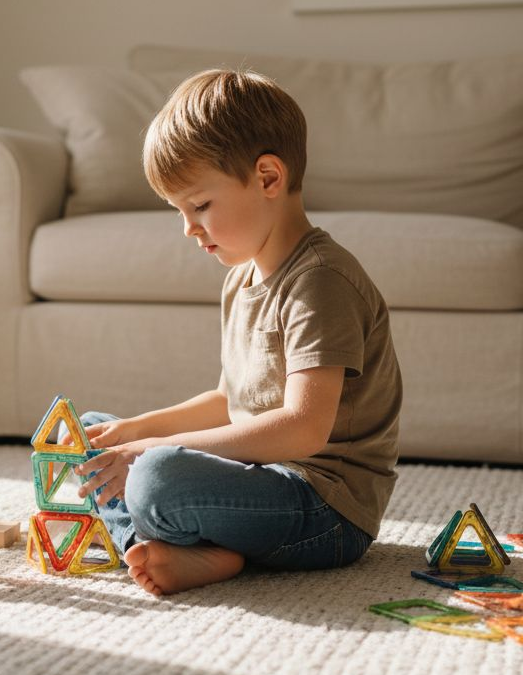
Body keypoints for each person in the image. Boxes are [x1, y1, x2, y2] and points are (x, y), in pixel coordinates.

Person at [73, 68, 402, 597]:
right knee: (94, 431)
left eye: (199, 205)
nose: (188, 227)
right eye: (180, 211)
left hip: (324, 511)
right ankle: (177, 547)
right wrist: (135, 429)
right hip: (259, 481)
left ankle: (183, 544)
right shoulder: (241, 279)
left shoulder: (321, 281)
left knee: (157, 474)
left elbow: (302, 429)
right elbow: (231, 402)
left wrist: (151, 450)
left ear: (269, 178)